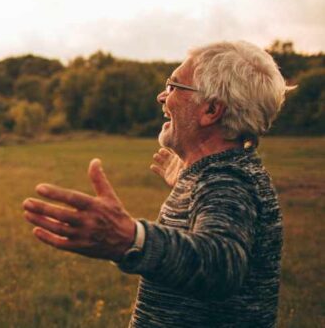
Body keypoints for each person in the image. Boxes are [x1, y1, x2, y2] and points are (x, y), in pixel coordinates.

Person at [22, 41, 289, 327]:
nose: (163, 96)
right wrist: (189, 183)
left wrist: (130, 238)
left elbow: (221, 265)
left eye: (175, 86)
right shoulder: (218, 175)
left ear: (211, 110)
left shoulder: (226, 180)